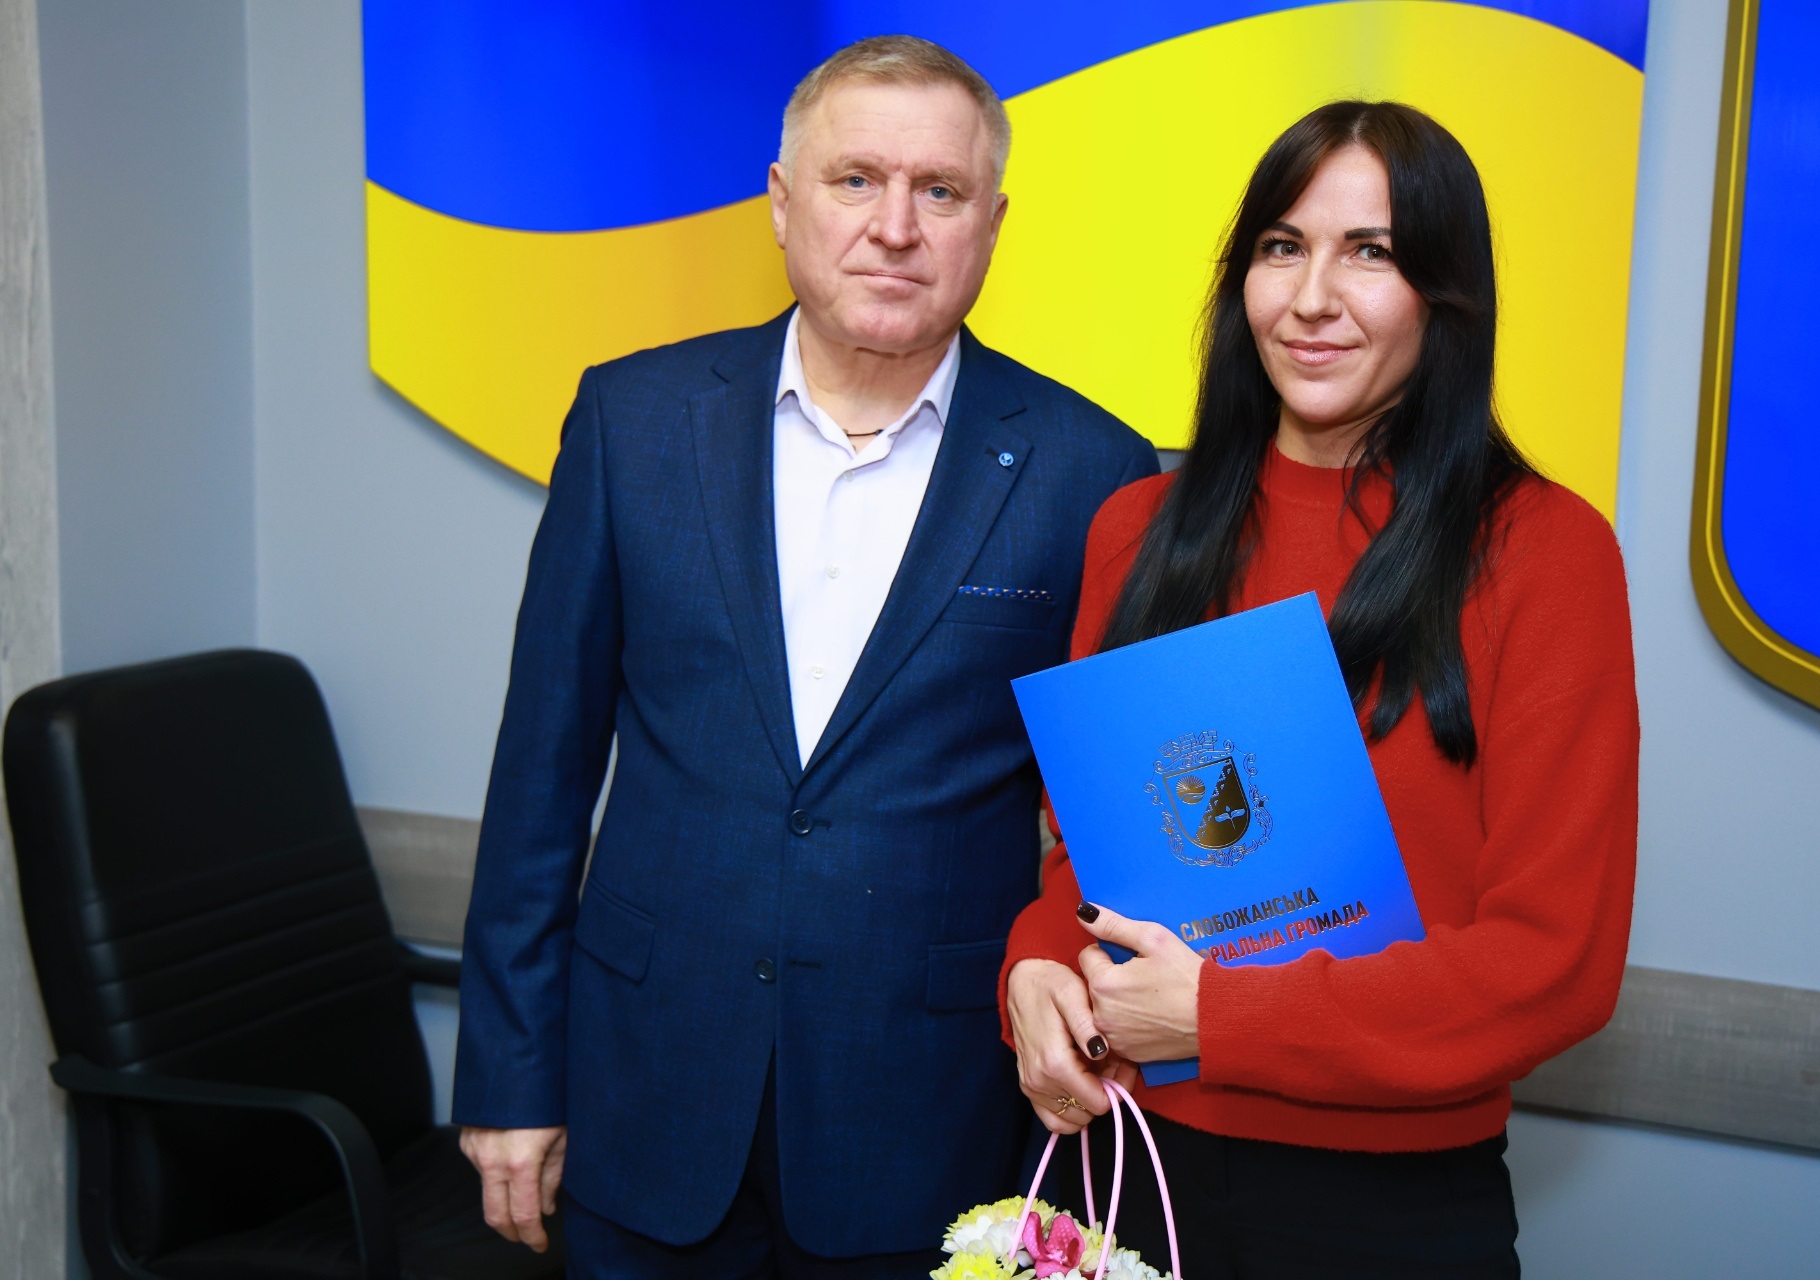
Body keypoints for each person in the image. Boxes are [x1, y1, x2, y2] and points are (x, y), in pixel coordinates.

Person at [451, 35, 1159, 1280]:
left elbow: (1114, 825)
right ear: (782, 201)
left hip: (928, 1117)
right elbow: (539, 782)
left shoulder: (1090, 467)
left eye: (940, 191)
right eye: (855, 180)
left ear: (992, 225)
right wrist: (510, 1074)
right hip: (646, 1093)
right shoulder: (632, 421)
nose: (896, 226)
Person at [1000, 100, 1638, 1279]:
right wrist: (1036, 965)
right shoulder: (1137, 528)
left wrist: (1222, 1016)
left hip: (1386, 1204)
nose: (1310, 297)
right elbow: (1089, 858)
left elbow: (1557, 960)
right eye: (1282, 246)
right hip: (1130, 1163)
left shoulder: (1544, 552)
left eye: (1371, 252)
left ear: (1446, 294)